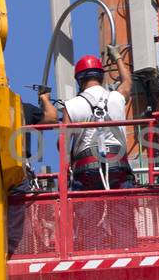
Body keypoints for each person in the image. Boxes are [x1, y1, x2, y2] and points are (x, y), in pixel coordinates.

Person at [39, 50, 134, 190]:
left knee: (83, 211)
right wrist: (118, 58)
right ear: (101, 76)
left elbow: (63, 143)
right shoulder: (117, 97)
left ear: (79, 79)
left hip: (86, 168)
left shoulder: (71, 106)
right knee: (123, 210)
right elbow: (127, 82)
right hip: (118, 165)